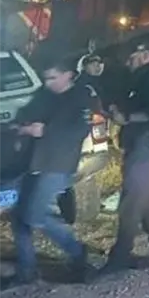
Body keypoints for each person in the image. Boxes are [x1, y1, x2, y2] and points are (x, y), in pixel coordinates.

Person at [2, 56, 99, 289]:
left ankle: (77, 251)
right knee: (20, 219)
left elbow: (78, 130)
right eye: (46, 78)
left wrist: (45, 131)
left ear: (68, 75)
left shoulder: (80, 97)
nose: (48, 82)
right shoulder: (45, 94)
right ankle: (27, 271)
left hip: (57, 164)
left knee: (34, 216)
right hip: (32, 162)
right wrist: (23, 126)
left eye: (53, 78)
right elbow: (25, 113)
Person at [98, 38, 149, 276]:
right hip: (143, 144)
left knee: (130, 202)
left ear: (144, 55)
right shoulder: (144, 76)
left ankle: (120, 257)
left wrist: (127, 118)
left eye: (131, 57)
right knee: (144, 198)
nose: (128, 62)